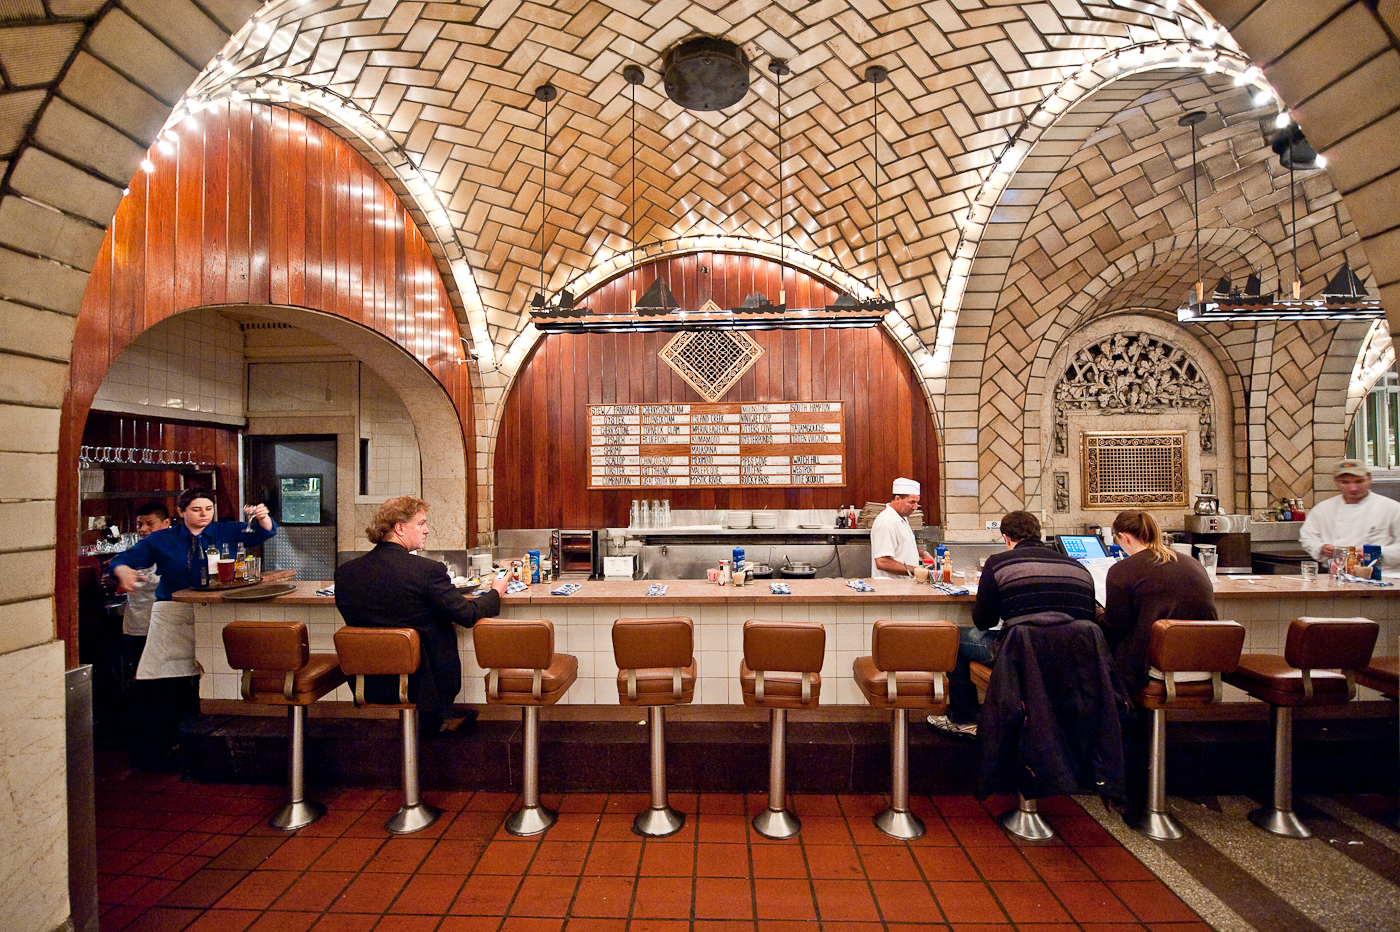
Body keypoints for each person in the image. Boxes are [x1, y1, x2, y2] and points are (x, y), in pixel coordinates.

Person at [108, 489, 276, 768]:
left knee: (206, 677)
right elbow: (124, 559)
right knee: (161, 683)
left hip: (215, 611)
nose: (204, 515)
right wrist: (123, 570)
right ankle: (158, 753)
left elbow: (262, 534)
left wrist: (264, 518)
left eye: (208, 508)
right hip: (173, 613)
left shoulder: (226, 531)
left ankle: (199, 748)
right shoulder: (163, 538)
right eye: (197, 509)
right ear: (181, 512)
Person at [334, 496, 509, 737]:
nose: (427, 530)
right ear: (400, 528)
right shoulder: (426, 571)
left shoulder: (345, 574)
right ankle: (436, 721)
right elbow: (467, 615)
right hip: (424, 685)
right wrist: (496, 591)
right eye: (421, 523)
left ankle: (434, 725)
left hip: (367, 682)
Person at [928, 510, 1097, 737]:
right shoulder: (1078, 567)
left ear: (1006, 538)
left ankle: (963, 718)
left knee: (954, 637)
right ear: (1040, 534)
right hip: (1072, 659)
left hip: (1020, 653)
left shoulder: (998, 563)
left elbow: (983, 621)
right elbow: (1088, 619)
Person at [1100, 510, 1218, 693]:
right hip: (1205, 660)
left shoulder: (1122, 570)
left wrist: (1097, 612)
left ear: (1124, 538)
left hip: (1153, 667)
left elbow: (1113, 629)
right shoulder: (1193, 563)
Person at [1299, 458, 1400, 570]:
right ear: (1336, 481)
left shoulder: (1392, 508)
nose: (1353, 488)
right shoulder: (1323, 509)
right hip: (1338, 576)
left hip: (1383, 577)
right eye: (1345, 482)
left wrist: (1377, 551)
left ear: (1370, 479)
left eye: (1359, 481)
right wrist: (1321, 548)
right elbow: (1307, 538)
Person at [870, 477, 934, 578]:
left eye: (917, 502)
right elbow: (882, 561)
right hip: (892, 588)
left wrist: (923, 554)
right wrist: (916, 570)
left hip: (904, 586)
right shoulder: (886, 522)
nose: (915, 507)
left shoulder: (902, 519)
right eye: (911, 502)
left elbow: (901, 549)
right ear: (897, 499)